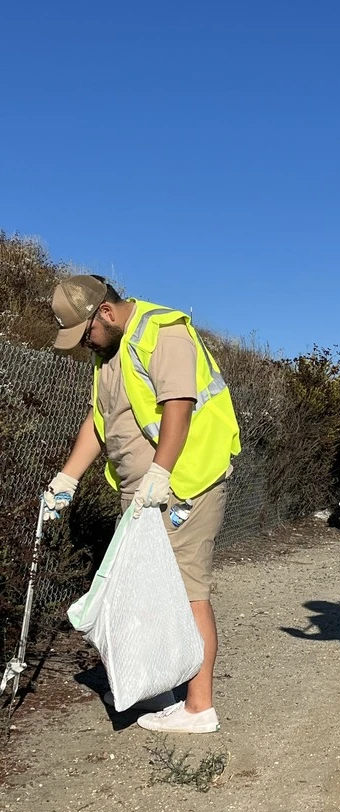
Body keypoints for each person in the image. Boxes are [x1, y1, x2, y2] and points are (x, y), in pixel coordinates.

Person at [45, 275, 241, 733]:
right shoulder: (109, 351)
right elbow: (100, 419)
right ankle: (156, 683)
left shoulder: (162, 332)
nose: (85, 344)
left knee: (187, 591)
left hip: (185, 484)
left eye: (86, 333)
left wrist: (161, 472)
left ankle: (199, 707)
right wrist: (67, 478)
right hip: (143, 492)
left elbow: (179, 404)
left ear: (105, 313)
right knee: (149, 590)